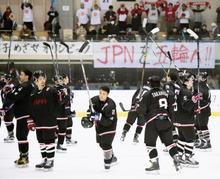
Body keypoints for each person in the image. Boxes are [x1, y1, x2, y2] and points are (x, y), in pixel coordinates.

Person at [138, 76, 180, 172]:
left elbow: (141, 110)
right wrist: (171, 122)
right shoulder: (166, 93)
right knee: (170, 144)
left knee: (150, 144)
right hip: (166, 121)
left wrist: (138, 104)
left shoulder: (147, 94)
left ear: (150, 84)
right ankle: (177, 160)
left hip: (154, 122)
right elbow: (171, 108)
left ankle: (155, 164)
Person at [28, 70, 59, 170]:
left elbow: (59, 100)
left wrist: (63, 95)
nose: (42, 81)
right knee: (41, 141)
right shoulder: (33, 94)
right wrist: (31, 120)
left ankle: (50, 160)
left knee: (49, 140)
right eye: (40, 79)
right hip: (39, 122)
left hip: (49, 121)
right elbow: (31, 109)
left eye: (43, 78)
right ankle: (45, 159)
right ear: (35, 81)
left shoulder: (51, 90)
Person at [84, 86, 118, 170]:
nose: (101, 95)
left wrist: (97, 116)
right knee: (101, 144)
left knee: (106, 144)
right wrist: (89, 118)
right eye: (100, 93)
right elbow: (91, 112)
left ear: (107, 94)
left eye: (104, 94)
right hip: (99, 126)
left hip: (110, 126)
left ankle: (107, 164)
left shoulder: (111, 105)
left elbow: (108, 122)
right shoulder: (93, 101)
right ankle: (112, 156)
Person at [5, 69, 33, 167]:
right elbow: (13, 96)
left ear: (27, 76)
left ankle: (25, 157)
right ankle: (23, 156)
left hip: (25, 115)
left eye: (21, 74)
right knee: (20, 136)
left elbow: (15, 97)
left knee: (22, 136)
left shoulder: (27, 86)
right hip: (21, 115)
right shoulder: (22, 86)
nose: (20, 76)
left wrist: (8, 93)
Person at [176, 73, 200, 167]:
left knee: (182, 139)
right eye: (191, 80)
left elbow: (186, 106)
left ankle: (179, 157)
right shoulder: (185, 91)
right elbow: (185, 106)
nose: (193, 81)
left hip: (181, 119)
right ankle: (187, 158)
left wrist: (194, 109)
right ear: (186, 81)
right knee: (190, 139)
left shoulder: (184, 90)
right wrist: (194, 100)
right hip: (185, 120)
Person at [194, 72, 212, 150]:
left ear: (204, 78)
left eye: (201, 77)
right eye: (200, 76)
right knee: (197, 125)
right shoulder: (199, 85)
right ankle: (201, 141)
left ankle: (207, 142)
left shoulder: (205, 87)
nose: (199, 78)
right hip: (198, 109)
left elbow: (207, 101)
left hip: (204, 110)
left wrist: (200, 107)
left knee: (203, 126)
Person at [53, 75, 68, 152]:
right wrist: (63, 95)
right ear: (55, 81)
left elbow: (68, 101)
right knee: (57, 129)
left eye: (61, 80)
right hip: (57, 113)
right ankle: (55, 143)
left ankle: (60, 144)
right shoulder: (53, 89)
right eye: (59, 80)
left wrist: (67, 95)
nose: (60, 82)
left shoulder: (64, 88)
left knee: (63, 129)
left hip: (63, 113)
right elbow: (60, 102)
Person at [62, 74, 77, 145]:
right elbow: (65, 100)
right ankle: (67, 139)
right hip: (64, 110)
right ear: (64, 79)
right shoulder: (64, 87)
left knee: (68, 124)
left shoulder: (65, 87)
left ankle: (67, 139)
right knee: (67, 124)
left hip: (66, 109)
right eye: (67, 78)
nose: (68, 79)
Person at [0, 74, 15, 143]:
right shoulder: (4, 86)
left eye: (6, 79)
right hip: (6, 106)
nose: (4, 80)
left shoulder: (11, 87)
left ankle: (11, 136)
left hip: (10, 107)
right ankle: (11, 135)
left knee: (8, 121)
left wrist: (6, 108)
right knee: (7, 121)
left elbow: (11, 99)